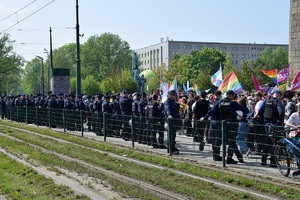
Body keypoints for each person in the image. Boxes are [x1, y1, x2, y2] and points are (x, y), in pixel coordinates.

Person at [201, 90, 245, 164]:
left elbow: (211, 112)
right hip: (231, 124)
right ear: (229, 95)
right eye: (233, 95)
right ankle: (229, 158)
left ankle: (216, 155)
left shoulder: (219, 103)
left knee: (218, 140)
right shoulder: (233, 103)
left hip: (221, 124)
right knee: (231, 141)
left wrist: (204, 118)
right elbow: (243, 111)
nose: (234, 96)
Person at [261, 90, 284, 167]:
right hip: (274, 124)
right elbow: (281, 112)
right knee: (274, 143)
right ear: (279, 96)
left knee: (267, 141)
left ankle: (263, 160)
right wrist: (280, 121)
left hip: (266, 124)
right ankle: (272, 161)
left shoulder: (266, 101)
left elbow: (260, 111)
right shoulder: (277, 102)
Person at [285, 106, 300, 176]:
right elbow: (287, 123)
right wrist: (295, 127)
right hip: (294, 134)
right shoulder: (294, 115)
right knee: (296, 151)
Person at [164, 90, 180, 154]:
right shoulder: (167, 102)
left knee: (173, 135)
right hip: (170, 121)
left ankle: (172, 147)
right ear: (169, 95)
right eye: (173, 95)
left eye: (174, 95)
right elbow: (167, 109)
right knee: (170, 135)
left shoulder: (174, 102)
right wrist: (169, 115)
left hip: (175, 121)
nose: (174, 96)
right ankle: (170, 148)